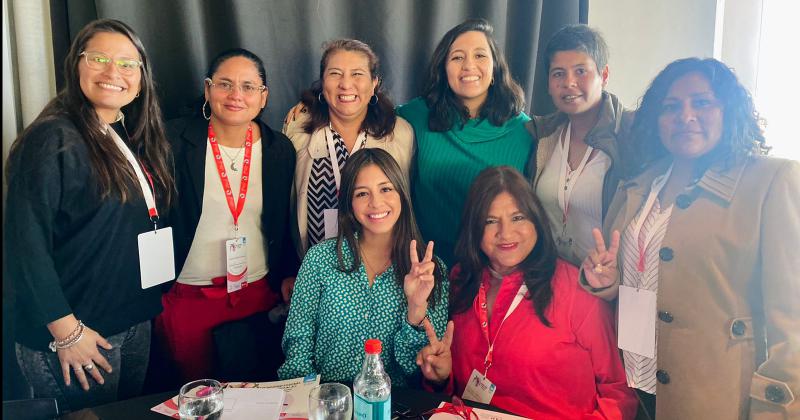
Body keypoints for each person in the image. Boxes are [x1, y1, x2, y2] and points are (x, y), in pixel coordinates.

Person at [581, 58, 800, 419]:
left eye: (701, 102)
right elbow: (641, 275)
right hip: (634, 381)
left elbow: (791, 321)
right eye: (671, 107)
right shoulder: (640, 184)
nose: (685, 116)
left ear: (729, 110)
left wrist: (776, 410)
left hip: (716, 393)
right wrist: (607, 283)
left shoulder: (771, 181)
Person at [5, 19, 174, 411]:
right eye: (98, 58)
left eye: (128, 64)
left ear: (142, 77)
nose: (114, 72)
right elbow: (23, 246)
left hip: (130, 324)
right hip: (76, 335)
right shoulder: (52, 137)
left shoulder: (119, 133)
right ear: (75, 64)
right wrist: (66, 332)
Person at [416, 166, 636, 419]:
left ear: (536, 221)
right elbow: (454, 387)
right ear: (473, 229)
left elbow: (619, 393)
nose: (506, 233)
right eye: (490, 221)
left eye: (518, 217)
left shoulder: (576, 289)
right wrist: (441, 379)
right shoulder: (460, 279)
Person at [156, 48, 297, 383]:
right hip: (188, 298)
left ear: (264, 97)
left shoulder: (279, 149)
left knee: (253, 398)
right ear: (207, 90)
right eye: (225, 84)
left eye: (249, 87)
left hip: (256, 296)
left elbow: (284, 221)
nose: (236, 95)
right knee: (194, 401)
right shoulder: (170, 141)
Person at [279, 148, 448, 387]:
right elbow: (298, 346)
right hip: (327, 400)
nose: (376, 203)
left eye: (386, 189)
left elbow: (416, 369)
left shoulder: (431, 271)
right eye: (361, 194)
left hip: (394, 405)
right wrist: (313, 400)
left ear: (402, 193)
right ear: (349, 202)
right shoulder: (319, 259)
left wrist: (416, 308)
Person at [397, 18, 532, 266]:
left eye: (480, 56)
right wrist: (311, 112)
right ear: (443, 69)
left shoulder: (525, 131)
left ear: (495, 68)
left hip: (496, 268)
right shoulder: (418, 115)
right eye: (457, 57)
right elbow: (365, 114)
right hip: (429, 266)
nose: (469, 65)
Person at [283, 39, 414, 267]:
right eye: (335, 74)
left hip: (383, 269)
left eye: (357, 74)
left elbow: (409, 203)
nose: (346, 84)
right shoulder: (297, 130)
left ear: (374, 83)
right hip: (315, 271)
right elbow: (284, 205)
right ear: (323, 83)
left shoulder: (400, 133)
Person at [529, 24, 635, 266]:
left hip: (606, 283)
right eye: (558, 73)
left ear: (604, 75)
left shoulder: (630, 134)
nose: (569, 83)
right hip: (551, 281)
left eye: (580, 71)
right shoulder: (543, 134)